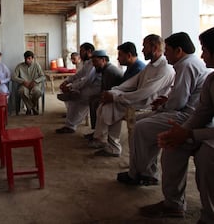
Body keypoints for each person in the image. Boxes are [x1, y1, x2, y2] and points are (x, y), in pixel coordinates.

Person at [139, 27, 214, 224]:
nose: (202, 55)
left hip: (206, 132)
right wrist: (182, 132)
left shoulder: (187, 65)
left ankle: (209, 216)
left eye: (205, 49)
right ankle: (173, 204)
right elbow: (203, 111)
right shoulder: (212, 79)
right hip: (200, 126)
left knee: (207, 156)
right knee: (173, 144)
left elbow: (180, 103)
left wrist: (190, 134)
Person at [117, 32, 209, 185]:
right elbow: (182, 95)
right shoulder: (187, 63)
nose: (165, 54)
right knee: (139, 122)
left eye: (167, 50)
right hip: (183, 111)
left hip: (186, 116)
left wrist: (163, 107)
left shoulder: (185, 65)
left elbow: (178, 102)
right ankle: (144, 171)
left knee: (140, 127)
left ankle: (140, 173)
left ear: (178, 51)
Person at [90, 34, 175, 157]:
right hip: (137, 99)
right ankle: (108, 144)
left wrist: (115, 97)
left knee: (110, 105)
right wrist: (114, 91)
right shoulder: (150, 66)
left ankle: (104, 141)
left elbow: (145, 92)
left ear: (154, 47)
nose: (142, 50)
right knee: (108, 104)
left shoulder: (165, 69)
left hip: (147, 103)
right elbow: (132, 82)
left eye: (144, 47)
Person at [55, 50, 123, 134]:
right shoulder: (93, 64)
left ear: (104, 60)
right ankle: (73, 125)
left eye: (95, 61)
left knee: (79, 98)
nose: (94, 64)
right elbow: (80, 75)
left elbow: (87, 81)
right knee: (76, 97)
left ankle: (77, 127)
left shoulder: (109, 70)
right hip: (101, 91)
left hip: (109, 95)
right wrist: (68, 82)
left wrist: (72, 88)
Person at [87, 42, 145, 132]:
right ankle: (99, 133)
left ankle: (102, 136)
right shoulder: (131, 66)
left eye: (120, 55)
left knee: (102, 105)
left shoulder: (138, 68)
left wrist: (111, 96)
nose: (117, 58)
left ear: (129, 55)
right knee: (97, 101)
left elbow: (131, 90)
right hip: (122, 96)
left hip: (132, 101)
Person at [12, 50, 45, 115]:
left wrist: (35, 81)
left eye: (29, 58)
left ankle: (29, 108)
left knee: (37, 92)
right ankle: (33, 108)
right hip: (24, 85)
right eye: (26, 58)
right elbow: (13, 77)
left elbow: (43, 76)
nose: (27, 60)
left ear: (32, 58)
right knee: (21, 91)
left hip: (35, 85)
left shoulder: (36, 65)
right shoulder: (20, 66)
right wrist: (23, 81)